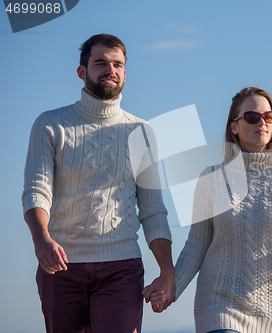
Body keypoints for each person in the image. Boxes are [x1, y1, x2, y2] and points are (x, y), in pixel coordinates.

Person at [22, 34, 175, 333]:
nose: (110, 69)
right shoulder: (50, 124)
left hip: (121, 267)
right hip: (60, 266)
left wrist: (166, 271)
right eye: (100, 63)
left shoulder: (142, 132)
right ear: (82, 71)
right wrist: (41, 239)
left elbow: (154, 210)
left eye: (118, 64)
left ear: (125, 73)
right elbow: (36, 190)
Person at [145, 87, 272, 333]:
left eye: (269, 117)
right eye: (252, 117)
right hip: (218, 305)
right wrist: (172, 289)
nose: (262, 123)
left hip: (271, 311)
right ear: (234, 126)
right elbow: (197, 244)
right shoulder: (212, 178)